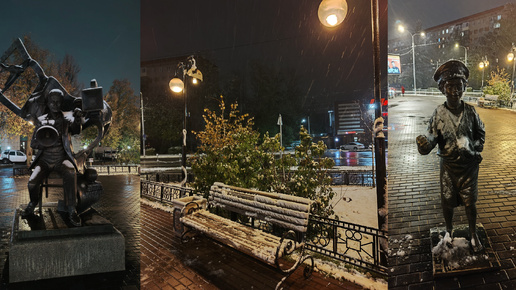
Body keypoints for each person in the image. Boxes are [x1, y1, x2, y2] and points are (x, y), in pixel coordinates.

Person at [416, 60, 485, 253]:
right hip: (448, 167)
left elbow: (481, 133)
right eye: (450, 86)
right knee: (447, 201)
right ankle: (448, 231)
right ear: (442, 88)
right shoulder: (439, 113)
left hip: (469, 167)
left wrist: (474, 147)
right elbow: (431, 138)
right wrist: (424, 145)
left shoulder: (471, 111)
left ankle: (473, 234)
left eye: (459, 86)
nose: (455, 91)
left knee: (471, 202)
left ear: (464, 87)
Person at [20, 88, 83, 226]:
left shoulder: (67, 118)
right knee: (32, 181)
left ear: (61, 103)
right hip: (44, 160)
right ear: (48, 103)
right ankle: (33, 203)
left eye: (58, 102)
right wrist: (45, 138)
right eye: (52, 102)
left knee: (71, 172)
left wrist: (78, 119)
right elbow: (33, 143)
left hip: (62, 158)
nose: (55, 105)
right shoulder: (41, 120)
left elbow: (77, 131)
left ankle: (72, 209)